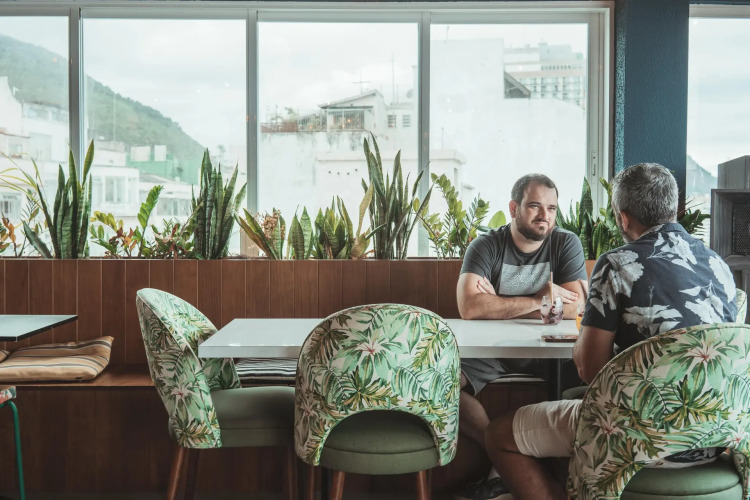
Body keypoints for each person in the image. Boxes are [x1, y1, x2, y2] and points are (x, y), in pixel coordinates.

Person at [484, 163, 738, 500]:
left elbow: (590, 370)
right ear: (674, 209)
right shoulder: (718, 264)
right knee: (574, 404)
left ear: (623, 218)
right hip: (713, 437)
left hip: (638, 439)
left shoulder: (618, 263)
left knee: (498, 435)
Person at [455, 173, 588, 500]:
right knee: (441, 385)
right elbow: (470, 307)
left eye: (552, 209)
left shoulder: (565, 243)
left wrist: (498, 304)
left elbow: (576, 306)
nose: (545, 216)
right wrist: (540, 299)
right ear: (514, 208)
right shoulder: (486, 245)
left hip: (553, 353)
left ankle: (510, 465)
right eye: (534, 206)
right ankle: (501, 455)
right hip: (493, 353)